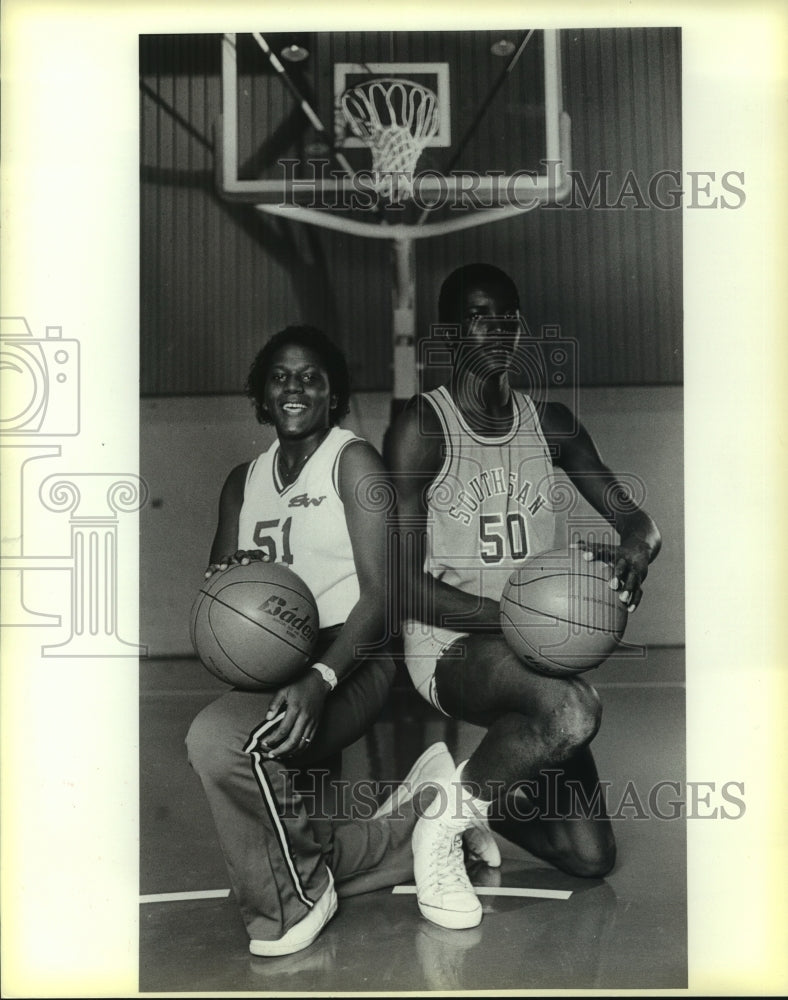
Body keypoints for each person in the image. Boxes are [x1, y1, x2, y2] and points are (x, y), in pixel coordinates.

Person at [185, 325, 494, 957]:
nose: (294, 387)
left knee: (220, 742)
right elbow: (217, 597)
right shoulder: (240, 482)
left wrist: (321, 679)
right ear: (261, 398)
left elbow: (384, 601)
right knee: (286, 833)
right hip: (278, 660)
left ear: (333, 396)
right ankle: (422, 811)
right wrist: (236, 585)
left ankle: (294, 903)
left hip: (352, 655)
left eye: (311, 377)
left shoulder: (353, 462)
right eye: (279, 377)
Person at [387, 263, 662, 931]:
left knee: (589, 856)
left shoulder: (553, 425)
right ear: (449, 333)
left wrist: (633, 547)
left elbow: (638, 521)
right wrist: (515, 619)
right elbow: (399, 585)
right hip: (450, 645)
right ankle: (438, 835)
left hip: (529, 644)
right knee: (571, 710)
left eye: (509, 316)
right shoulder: (423, 429)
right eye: (481, 315)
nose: (499, 328)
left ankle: (444, 791)